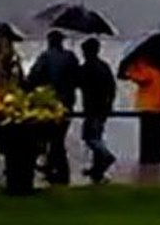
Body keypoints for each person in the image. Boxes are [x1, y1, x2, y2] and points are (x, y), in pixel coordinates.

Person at [27, 30, 80, 184]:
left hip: (50, 102)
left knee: (51, 138)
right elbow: (77, 79)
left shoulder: (45, 57)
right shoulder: (71, 57)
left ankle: (57, 171)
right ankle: (55, 169)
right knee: (58, 138)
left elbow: (33, 77)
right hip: (68, 102)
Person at [78, 38, 117, 183]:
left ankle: (106, 156)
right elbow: (112, 87)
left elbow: (77, 82)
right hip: (103, 108)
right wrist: (110, 103)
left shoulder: (87, 68)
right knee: (98, 135)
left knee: (90, 138)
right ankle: (97, 169)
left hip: (91, 108)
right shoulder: (104, 66)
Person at [126, 59, 160, 165]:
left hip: (158, 105)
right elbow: (141, 78)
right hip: (147, 106)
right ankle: (147, 157)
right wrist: (132, 69)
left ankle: (156, 155)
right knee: (148, 133)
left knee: (156, 133)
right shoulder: (144, 66)